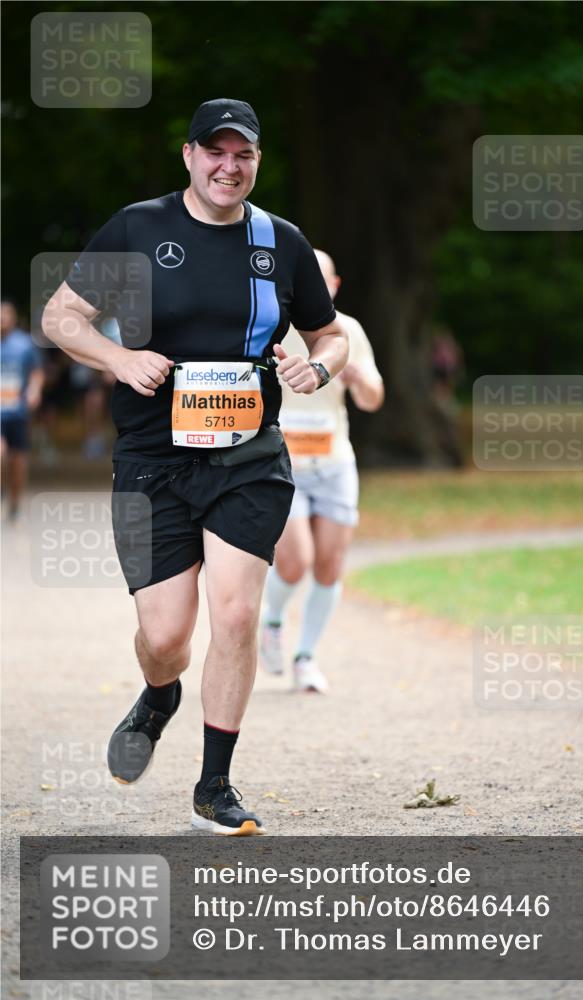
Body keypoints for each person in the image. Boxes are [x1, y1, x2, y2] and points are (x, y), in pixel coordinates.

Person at [41, 98, 348, 836]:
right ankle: (157, 694)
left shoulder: (281, 242)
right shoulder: (138, 227)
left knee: (236, 612)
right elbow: (61, 316)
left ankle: (215, 785)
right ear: (188, 156)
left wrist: (318, 367)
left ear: (256, 163)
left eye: (242, 154)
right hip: (152, 457)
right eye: (215, 151)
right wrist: (119, 357)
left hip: (248, 457)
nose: (227, 166)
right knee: (166, 636)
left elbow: (329, 332)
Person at [260, 251, 383, 692]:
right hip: (282, 462)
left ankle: (306, 657)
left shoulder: (346, 331)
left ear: (333, 285)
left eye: (320, 279)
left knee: (329, 566)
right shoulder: (267, 326)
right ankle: (271, 621)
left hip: (334, 463)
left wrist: (356, 378)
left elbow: (373, 397)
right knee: (295, 562)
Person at [1, 300, 44, 518]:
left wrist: (34, 390)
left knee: (18, 459)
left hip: (17, 411)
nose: (3, 319)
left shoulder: (25, 344)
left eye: (6, 314)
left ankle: (15, 499)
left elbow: (37, 372)